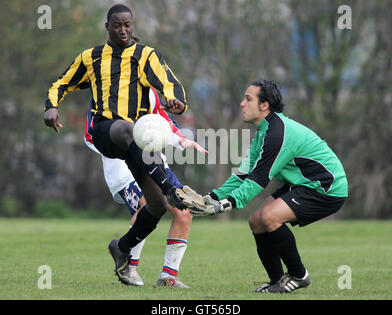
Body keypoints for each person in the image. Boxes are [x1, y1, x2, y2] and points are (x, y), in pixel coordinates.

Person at [43, 4, 203, 285]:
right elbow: (61, 82)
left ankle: (123, 248)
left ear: (133, 25)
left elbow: (168, 83)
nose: (123, 30)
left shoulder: (145, 56)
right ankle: (174, 190)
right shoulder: (91, 57)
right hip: (108, 133)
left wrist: (177, 102)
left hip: (136, 145)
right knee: (128, 130)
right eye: (117, 25)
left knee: (155, 206)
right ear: (107, 27)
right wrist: (51, 106)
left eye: (128, 25)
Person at [181, 80, 348, 293]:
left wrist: (225, 204)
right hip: (304, 184)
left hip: (327, 188)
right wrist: (211, 197)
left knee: (269, 218)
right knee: (256, 222)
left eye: (248, 99)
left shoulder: (278, 134)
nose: (242, 104)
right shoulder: (264, 132)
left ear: (264, 105)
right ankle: (277, 281)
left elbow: (258, 179)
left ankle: (299, 275)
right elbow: (243, 174)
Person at [84, 88, 207, 288]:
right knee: (145, 205)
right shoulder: (106, 88)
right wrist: (123, 145)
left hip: (152, 160)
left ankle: (168, 277)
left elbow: (161, 122)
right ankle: (129, 267)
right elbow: (91, 134)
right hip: (121, 165)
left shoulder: (149, 93)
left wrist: (181, 140)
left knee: (184, 211)